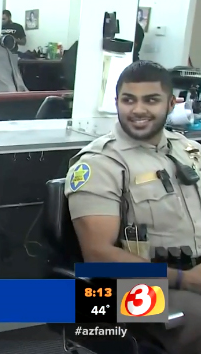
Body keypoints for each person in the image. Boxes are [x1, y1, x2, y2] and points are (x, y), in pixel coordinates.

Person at [65, 61, 201, 354]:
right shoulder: (100, 164)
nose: (138, 110)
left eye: (151, 100)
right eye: (129, 100)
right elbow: (98, 257)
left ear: (171, 103)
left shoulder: (189, 151)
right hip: (139, 287)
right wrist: (186, 279)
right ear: (117, 102)